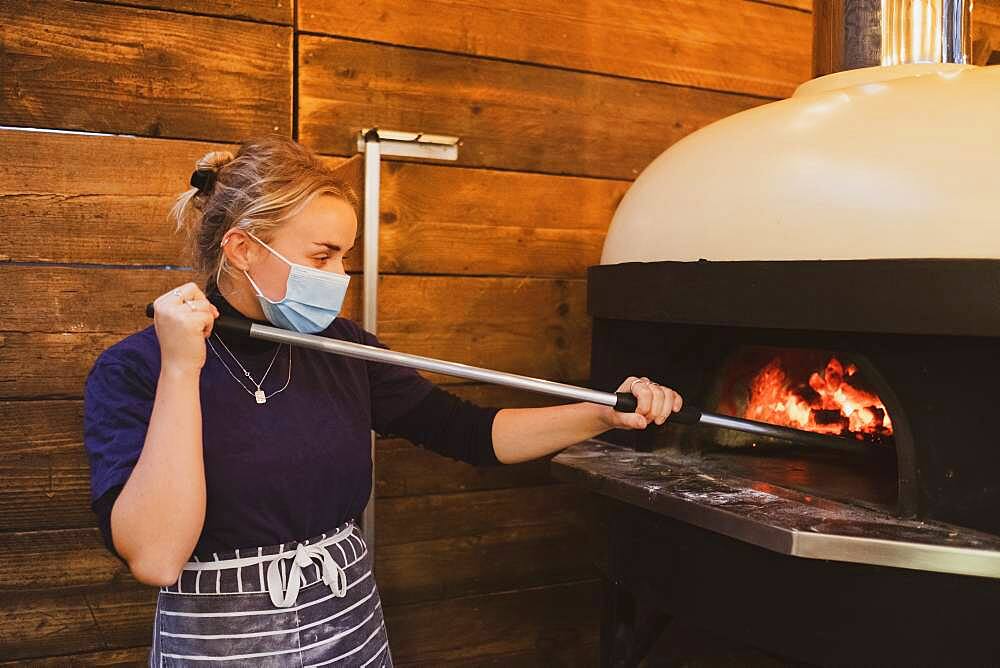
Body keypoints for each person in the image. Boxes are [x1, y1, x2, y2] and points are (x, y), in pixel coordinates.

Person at [83, 135, 683, 666]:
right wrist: (183, 368)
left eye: (344, 255)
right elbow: (158, 557)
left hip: (350, 627)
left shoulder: (342, 348)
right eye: (323, 256)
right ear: (242, 249)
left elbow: (469, 433)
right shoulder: (134, 370)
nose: (339, 275)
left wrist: (600, 414)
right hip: (221, 643)